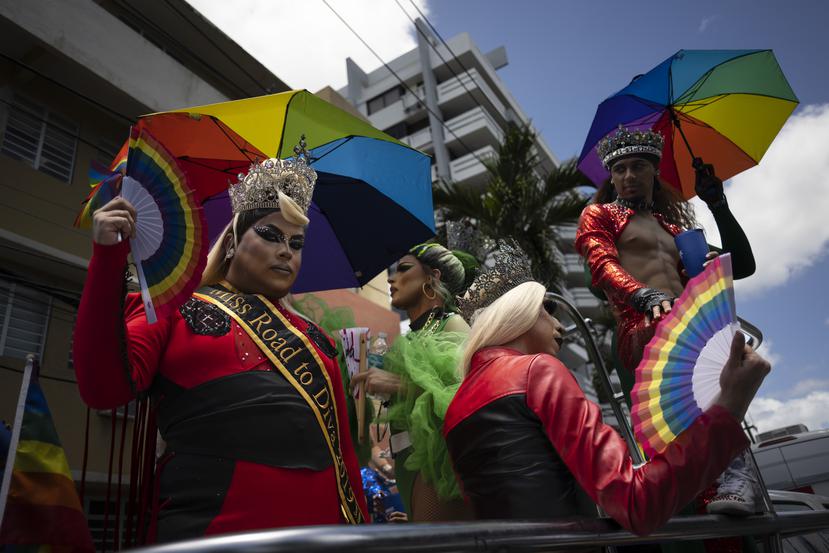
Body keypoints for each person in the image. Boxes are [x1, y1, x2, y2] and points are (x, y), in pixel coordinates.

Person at [73, 147, 368, 543]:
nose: (286, 251)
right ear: (231, 241)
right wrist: (108, 259)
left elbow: (344, 459)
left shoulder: (317, 340)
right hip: (211, 534)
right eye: (270, 234)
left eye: (297, 243)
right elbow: (103, 387)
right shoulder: (174, 308)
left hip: (319, 538)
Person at [443, 243, 771, 535]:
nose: (558, 325)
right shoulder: (535, 371)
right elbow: (635, 503)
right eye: (547, 308)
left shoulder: (456, 406)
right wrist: (730, 405)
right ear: (518, 313)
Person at [575, 126, 758, 516]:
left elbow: (742, 265)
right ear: (611, 177)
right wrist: (643, 294)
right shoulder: (601, 215)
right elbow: (600, 263)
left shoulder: (677, 231)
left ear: (654, 172)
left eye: (637, 166)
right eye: (619, 169)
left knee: (731, 370)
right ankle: (695, 491)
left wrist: (718, 204)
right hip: (642, 331)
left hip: (690, 329)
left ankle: (735, 474)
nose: (628, 176)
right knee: (669, 430)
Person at [352, 241, 476, 521]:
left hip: (439, 470)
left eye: (404, 269)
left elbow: (469, 401)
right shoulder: (405, 342)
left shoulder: (452, 324)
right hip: (408, 469)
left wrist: (398, 384)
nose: (391, 278)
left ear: (433, 277)